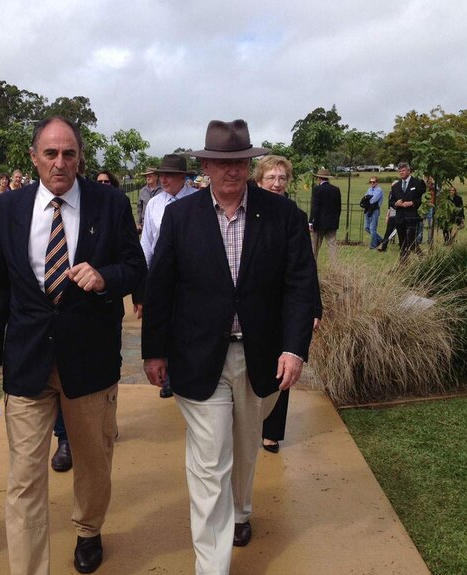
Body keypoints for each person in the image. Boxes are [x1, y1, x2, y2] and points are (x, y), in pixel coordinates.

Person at [142, 119, 318, 573]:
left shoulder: (283, 217)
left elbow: (301, 286)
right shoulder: (181, 217)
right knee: (210, 459)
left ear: (250, 165)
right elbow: (160, 288)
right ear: (205, 165)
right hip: (198, 356)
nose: (231, 171)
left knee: (244, 446)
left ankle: (240, 511)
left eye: (239, 162)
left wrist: (295, 349)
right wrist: (154, 351)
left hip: (261, 355)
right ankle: (211, 565)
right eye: (221, 163)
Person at [0, 116, 146, 575]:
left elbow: (136, 266)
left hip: (89, 362)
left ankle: (89, 529)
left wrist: (105, 276)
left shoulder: (109, 204)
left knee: (93, 464)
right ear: (33, 158)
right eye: (50, 153)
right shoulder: (7, 209)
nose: (59, 163)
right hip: (27, 362)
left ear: (80, 157)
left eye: (69, 153)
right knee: (24, 478)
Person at [251, 155, 323, 454]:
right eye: (272, 178)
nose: (277, 183)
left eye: (282, 178)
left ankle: (271, 431)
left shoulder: (294, 215)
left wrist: (313, 308)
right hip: (253, 305)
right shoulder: (247, 214)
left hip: (286, 305)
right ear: (259, 181)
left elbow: (306, 269)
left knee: (281, 368)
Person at [138, 154, 197, 399]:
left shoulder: (197, 200)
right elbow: (148, 244)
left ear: (183, 177)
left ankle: (191, 373)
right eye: (161, 175)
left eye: (169, 175)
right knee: (166, 325)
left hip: (192, 277)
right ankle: (169, 378)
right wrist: (144, 284)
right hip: (164, 277)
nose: (163, 179)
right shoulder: (155, 204)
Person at [388, 162, 425, 263]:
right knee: (402, 242)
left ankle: (422, 257)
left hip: (412, 217)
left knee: (411, 240)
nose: (401, 173)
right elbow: (390, 202)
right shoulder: (396, 186)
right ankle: (403, 262)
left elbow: (422, 199)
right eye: (400, 171)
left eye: (403, 170)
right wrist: (396, 203)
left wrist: (411, 203)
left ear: (409, 170)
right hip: (400, 218)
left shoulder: (417, 183)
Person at [308, 168, 341, 264]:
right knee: (332, 245)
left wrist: (311, 221)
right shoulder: (336, 190)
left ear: (318, 178)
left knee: (315, 246)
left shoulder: (317, 189)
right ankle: (334, 265)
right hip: (332, 222)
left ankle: (312, 265)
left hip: (319, 223)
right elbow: (338, 207)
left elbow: (315, 207)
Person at [136, 168, 162, 232]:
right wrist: (138, 223)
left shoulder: (163, 190)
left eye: (150, 176)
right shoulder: (142, 191)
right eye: (146, 176)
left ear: (156, 177)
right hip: (146, 224)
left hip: (159, 224)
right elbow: (139, 208)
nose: (147, 178)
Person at [363, 177, 384, 249]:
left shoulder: (379, 191)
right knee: (366, 227)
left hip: (375, 210)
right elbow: (365, 198)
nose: (372, 183)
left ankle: (373, 245)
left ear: (377, 182)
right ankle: (380, 239)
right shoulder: (369, 189)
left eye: (374, 182)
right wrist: (367, 198)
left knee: (372, 228)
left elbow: (373, 200)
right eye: (371, 182)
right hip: (368, 209)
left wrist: (367, 198)